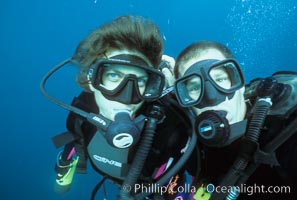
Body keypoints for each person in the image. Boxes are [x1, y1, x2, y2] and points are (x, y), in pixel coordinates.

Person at [41, 15, 196, 200]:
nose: (126, 97)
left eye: (140, 80)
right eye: (113, 75)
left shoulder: (170, 127)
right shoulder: (82, 113)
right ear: (91, 79)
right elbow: (74, 141)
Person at [173, 41, 297, 199]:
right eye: (195, 88)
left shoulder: (285, 132)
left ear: (240, 84)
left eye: (221, 79)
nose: (212, 98)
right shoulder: (187, 146)